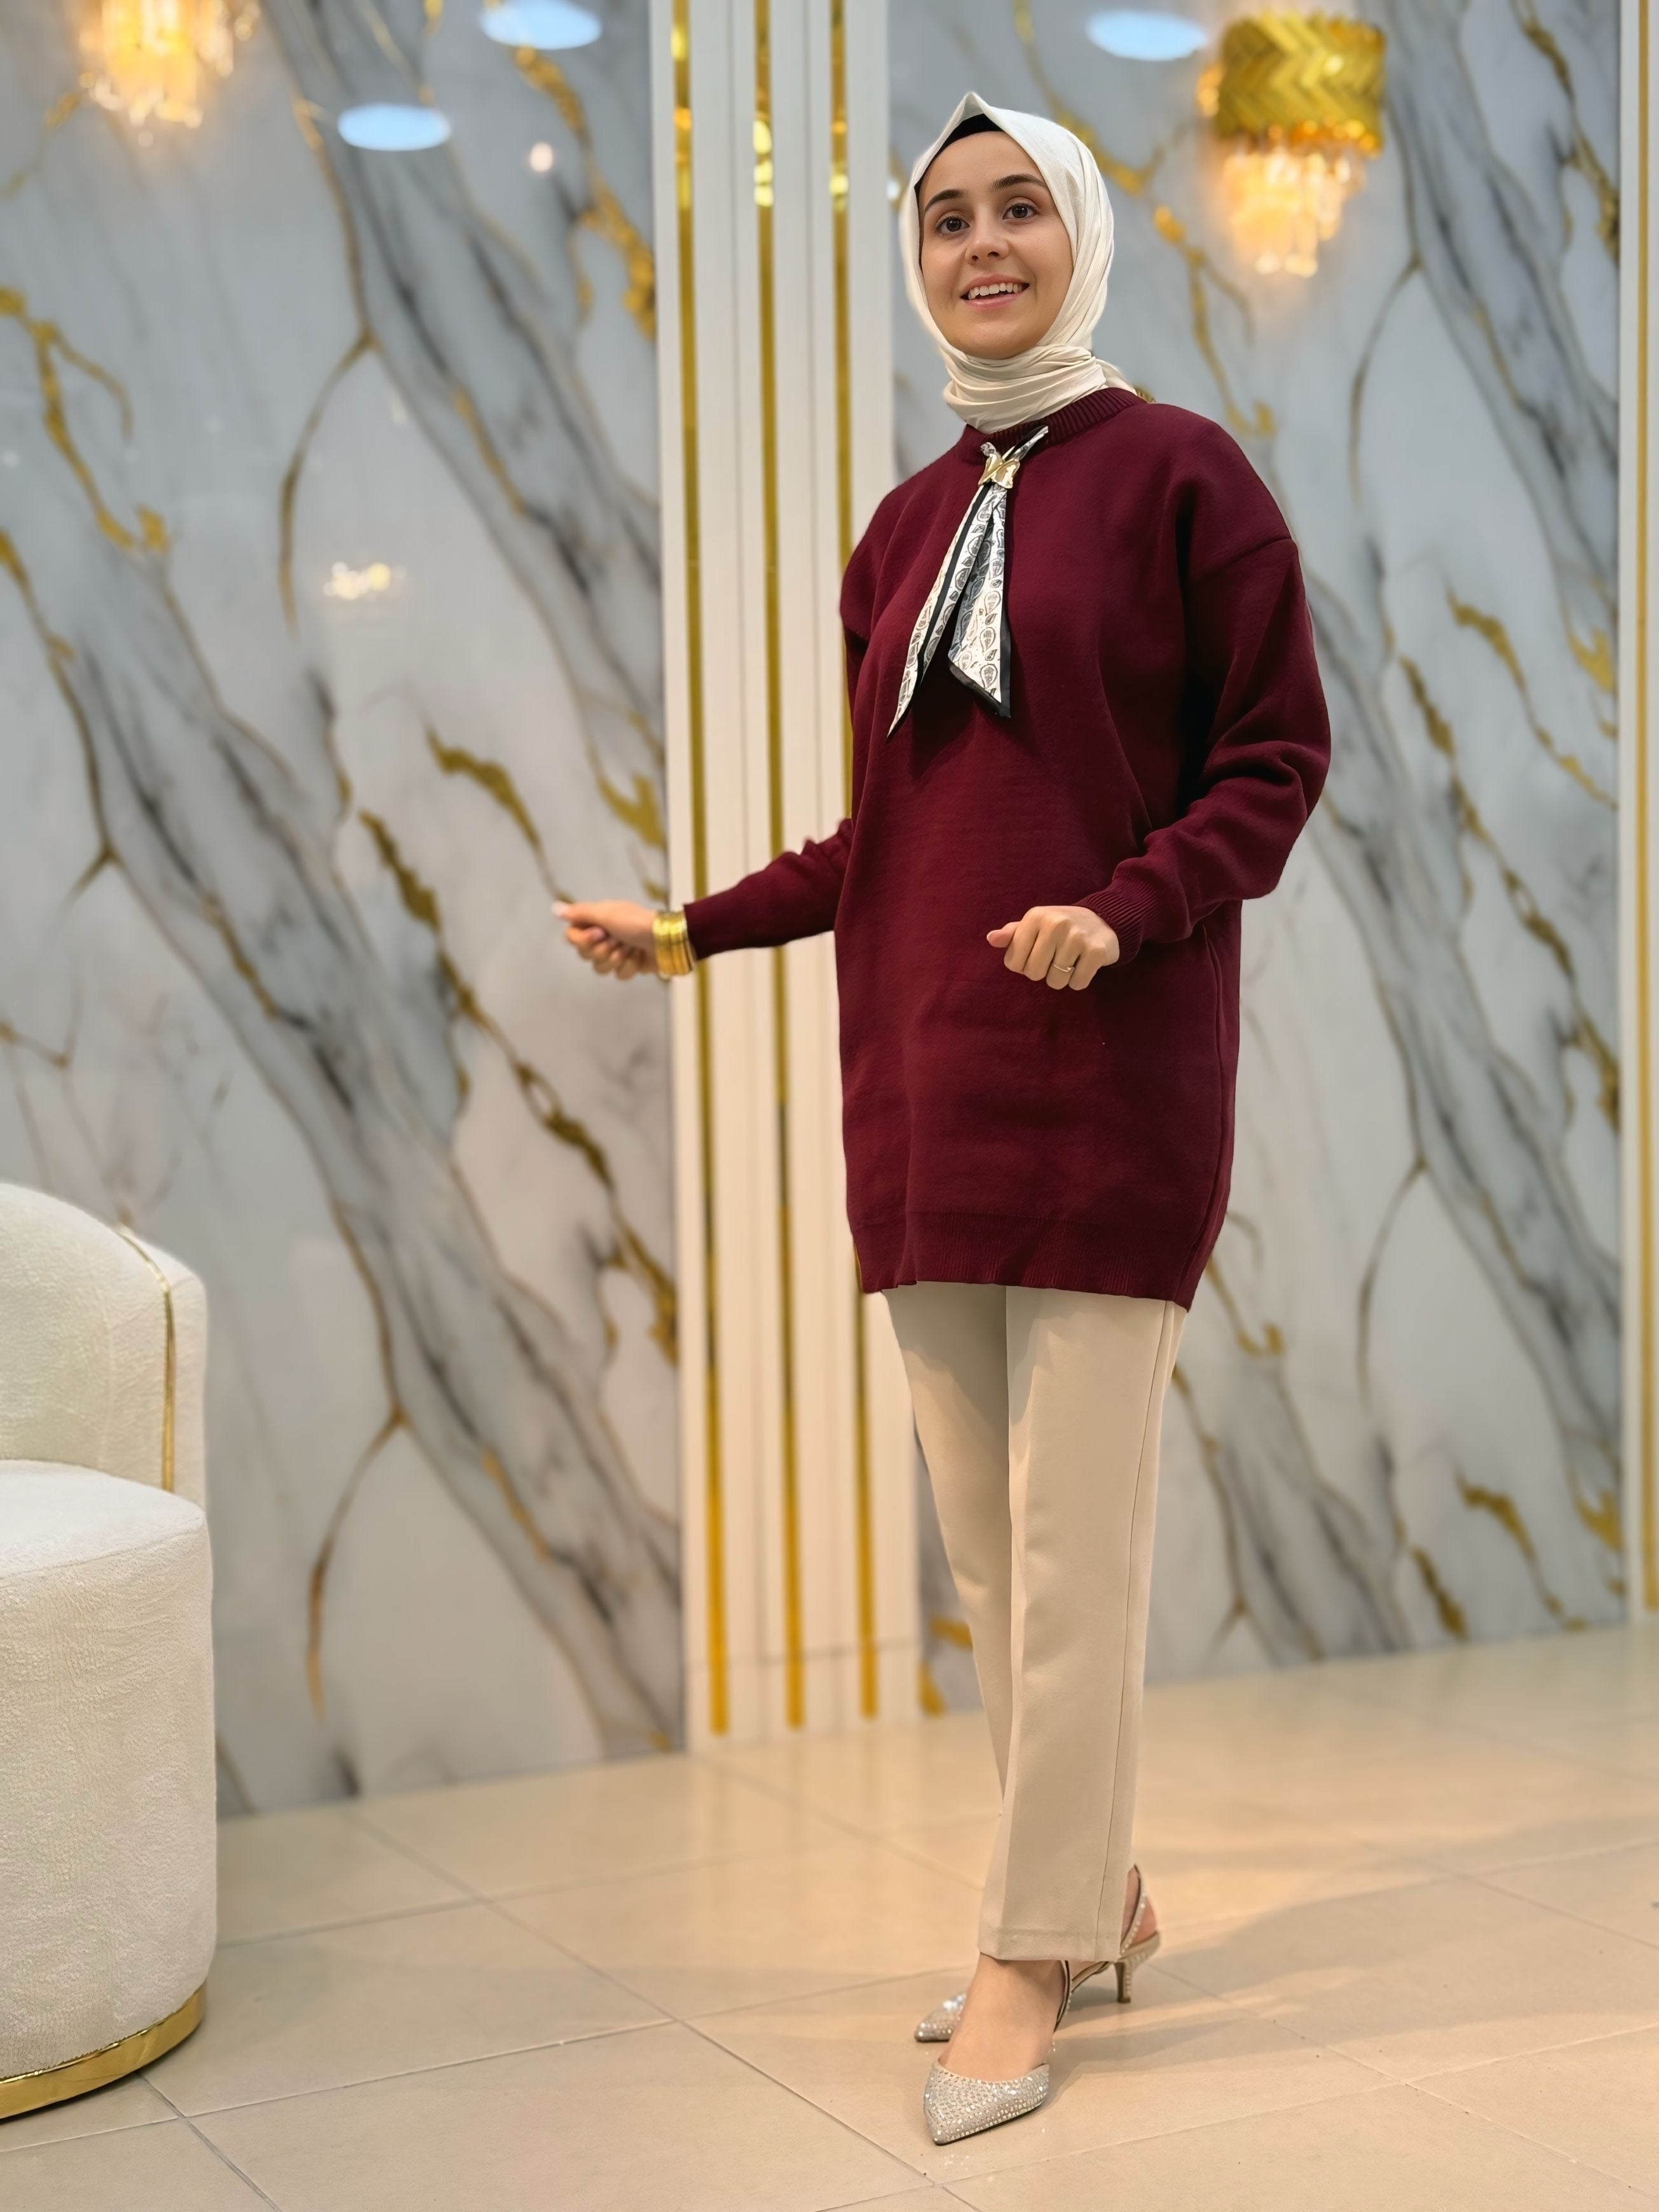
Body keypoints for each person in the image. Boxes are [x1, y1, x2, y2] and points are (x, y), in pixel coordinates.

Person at [557, 90, 1330, 2147]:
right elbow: (884, 834)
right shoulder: (901, 528)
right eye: (943, 219)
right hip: (921, 1088)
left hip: (1109, 1083)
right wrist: (691, 928)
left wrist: (1125, 907)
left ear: (1079, 231)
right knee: (994, 1558)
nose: (979, 244)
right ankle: (1099, 1892)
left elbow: (1271, 761)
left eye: (1015, 209)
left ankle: (1026, 1947)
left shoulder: (1184, 476)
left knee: (1073, 1554)